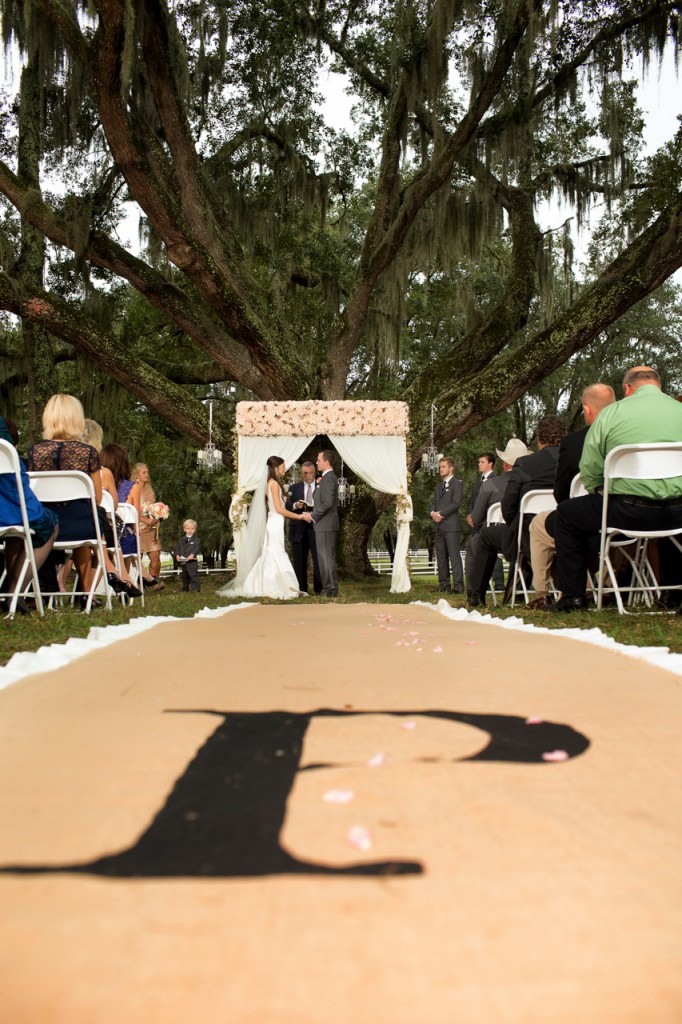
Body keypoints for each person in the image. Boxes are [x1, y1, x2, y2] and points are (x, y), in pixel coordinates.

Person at [552, 366, 682, 612]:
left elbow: (589, 469)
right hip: (678, 512)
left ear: (627, 388)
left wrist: (600, 492)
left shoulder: (611, 414)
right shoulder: (679, 410)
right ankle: (673, 594)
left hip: (627, 510)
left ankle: (573, 597)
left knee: (566, 514)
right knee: (671, 518)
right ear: (659, 385)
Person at [27, 394, 139, 601]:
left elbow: (33, 494)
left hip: (43, 528)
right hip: (80, 527)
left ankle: (88, 589)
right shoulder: (87, 453)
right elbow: (96, 498)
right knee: (90, 518)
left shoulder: (35, 451)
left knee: (85, 517)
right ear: (76, 419)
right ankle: (89, 592)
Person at [527, 383, 616, 610]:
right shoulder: (631, 435)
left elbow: (562, 493)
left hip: (595, 519)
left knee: (543, 522)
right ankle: (609, 586)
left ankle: (542, 593)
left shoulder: (575, 443)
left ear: (586, 410)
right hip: (636, 518)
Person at [467, 415, 566, 607]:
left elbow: (508, 506)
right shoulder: (572, 460)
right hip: (567, 531)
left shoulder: (526, 464)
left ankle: (476, 595)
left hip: (528, 535)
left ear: (539, 439)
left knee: (486, 535)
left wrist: (516, 526)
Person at [0, 414, 59, 615]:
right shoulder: (4, 440)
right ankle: (16, 592)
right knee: (47, 522)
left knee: (16, 531)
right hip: (8, 507)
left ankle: (11, 591)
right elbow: (13, 484)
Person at [465, 439, 531, 600]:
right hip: (533, 536)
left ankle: (476, 593)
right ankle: (518, 591)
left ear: (505, 464)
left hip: (504, 536)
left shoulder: (490, 484)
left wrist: (474, 519)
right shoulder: (533, 483)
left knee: (482, 538)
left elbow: (477, 517)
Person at [100, 444, 164, 590]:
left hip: (98, 535)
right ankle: (137, 580)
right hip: (120, 537)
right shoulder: (131, 487)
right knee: (129, 540)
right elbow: (133, 516)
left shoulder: (96, 482)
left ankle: (144, 578)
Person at [242, 455, 307, 599]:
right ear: (276, 468)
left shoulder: (269, 483)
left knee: (271, 552)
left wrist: (294, 504)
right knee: (275, 552)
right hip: (276, 521)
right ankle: (276, 585)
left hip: (273, 521)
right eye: (283, 466)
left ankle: (266, 583)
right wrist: (299, 516)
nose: (285, 468)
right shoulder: (275, 484)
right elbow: (279, 509)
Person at [465, 451, 507, 594]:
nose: (479, 464)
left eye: (482, 462)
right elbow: (472, 501)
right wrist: (471, 516)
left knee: (489, 550)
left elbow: (494, 503)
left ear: (491, 464)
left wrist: (478, 518)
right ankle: (479, 584)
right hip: (477, 521)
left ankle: (499, 582)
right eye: (479, 462)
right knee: (476, 549)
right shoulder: (478, 482)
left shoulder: (497, 481)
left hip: (490, 522)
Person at [302, 450, 339, 597]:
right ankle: (328, 588)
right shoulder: (325, 478)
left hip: (326, 524)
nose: (317, 462)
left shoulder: (329, 478)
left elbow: (328, 503)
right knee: (324, 558)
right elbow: (321, 498)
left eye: (318, 460)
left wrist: (312, 516)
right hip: (323, 524)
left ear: (326, 462)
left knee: (326, 558)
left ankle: (330, 589)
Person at [285, 460, 322, 594]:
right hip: (298, 529)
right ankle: (302, 589)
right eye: (305, 473)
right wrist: (296, 505)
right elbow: (286, 506)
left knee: (318, 560)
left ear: (314, 472)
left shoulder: (321, 486)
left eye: (310, 473)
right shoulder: (294, 488)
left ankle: (319, 589)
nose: (308, 476)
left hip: (316, 528)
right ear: (301, 474)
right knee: (299, 561)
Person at [430, 456, 464, 594]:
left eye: (443, 466)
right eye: (440, 467)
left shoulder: (457, 484)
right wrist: (432, 513)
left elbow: (456, 504)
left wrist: (441, 514)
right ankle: (443, 585)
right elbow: (433, 503)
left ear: (451, 468)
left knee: (454, 557)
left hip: (451, 526)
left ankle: (458, 587)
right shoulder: (438, 487)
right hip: (438, 527)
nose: (441, 469)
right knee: (441, 557)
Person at [132, 462, 163, 581]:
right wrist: (144, 520)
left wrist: (158, 514)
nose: (147, 475)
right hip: (137, 529)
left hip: (150, 530)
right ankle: (138, 583)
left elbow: (151, 509)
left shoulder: (149, 491)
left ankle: (154, 581)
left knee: (155, 557)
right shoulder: (131, 489)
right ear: (136, 475)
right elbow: (132, 510)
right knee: (135, 559)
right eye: (144, 473)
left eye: (147, 473)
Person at [175, 519, 201, 592]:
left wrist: (192, 554)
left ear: (195, 530)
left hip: (192, 561)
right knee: (184, 576)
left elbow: (197, 548)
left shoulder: (196, 540)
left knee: (193, 575)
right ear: (184, 529)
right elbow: (177, 548)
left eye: (192, 528)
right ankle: (185, 588)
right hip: (183, 561)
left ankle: (196, 588)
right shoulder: (181, 539)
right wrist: (177, 555)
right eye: (188, 528)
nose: (190, 530)